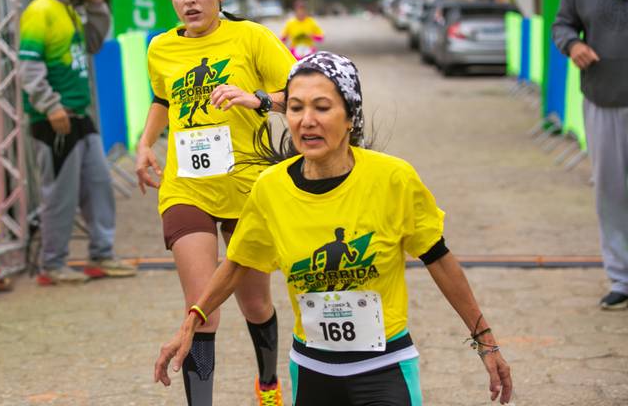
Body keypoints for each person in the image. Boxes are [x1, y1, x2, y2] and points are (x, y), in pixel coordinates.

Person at [155, 52, 513, 406]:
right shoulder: (270, 188)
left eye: (322, 108)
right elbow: (239, 263)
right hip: (311, 370)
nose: (307, 121)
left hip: (385, 367)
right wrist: (192, 321)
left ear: (350, 117)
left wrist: (485, 340)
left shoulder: (393, 179)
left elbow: (439, 260)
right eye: (296, 108)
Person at [136, 0, 295, 405]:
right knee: (201, 308)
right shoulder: (160, 47)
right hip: (186, 187)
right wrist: (145, 143)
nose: (190, 0)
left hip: (247, 187)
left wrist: (256, 98)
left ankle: (268, 383)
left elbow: (302, 93)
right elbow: (162, 99)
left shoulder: (251, 37)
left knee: (255, 304)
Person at [19, 0, 137, 284]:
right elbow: (28, 67)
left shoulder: (69, 10)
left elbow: (94, 43)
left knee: (99, 185)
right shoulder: (40, 12)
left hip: (79, 115)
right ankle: (52, 264)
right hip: (54, 118)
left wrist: (97, 5)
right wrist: (50, 105)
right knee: (60, 195)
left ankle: (102, 254)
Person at [552, 0, 628, 310]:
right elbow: (561, 24)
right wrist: (573, 44)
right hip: (603, 100)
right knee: (611, 191)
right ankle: (621, 277)